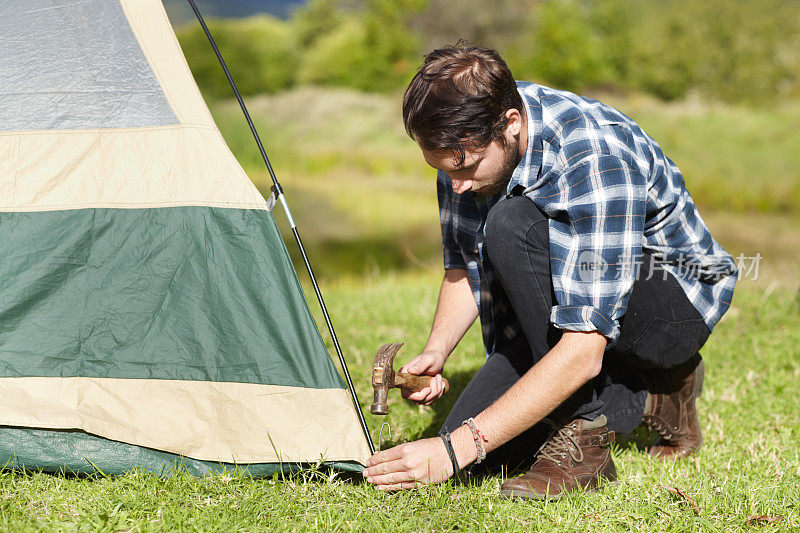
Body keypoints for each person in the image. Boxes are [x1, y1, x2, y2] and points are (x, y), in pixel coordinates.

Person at [362, 44, 737, 499]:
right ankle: (654, 395)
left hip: (671, 300)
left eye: (463, 167)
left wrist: (453, 451)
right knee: (482, 453)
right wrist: (437, 352)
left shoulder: (594, 158)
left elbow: (582, 349)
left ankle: (593, 433)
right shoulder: (463, 147)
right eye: (440, 168)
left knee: (511, 224)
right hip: (574, 297)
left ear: (510, 124)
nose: (454, 184)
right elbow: (463, 263)